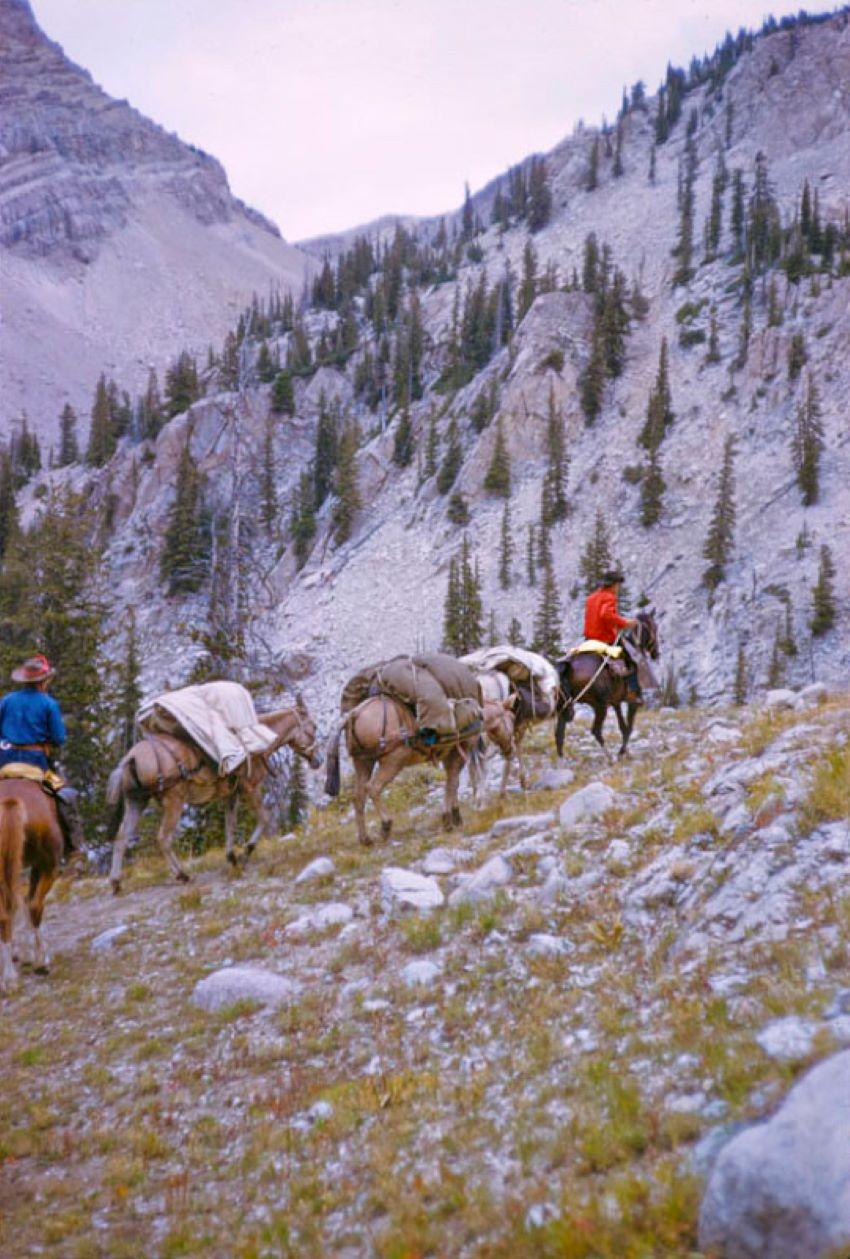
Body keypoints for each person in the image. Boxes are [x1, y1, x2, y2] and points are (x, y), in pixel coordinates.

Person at [0, 654, 86, 861]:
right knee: (66, 795)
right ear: (43, 681)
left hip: (5, 762)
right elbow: (58, 737)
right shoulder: (49, 704)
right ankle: (74, 849)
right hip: (36, 764)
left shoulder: (6, 701)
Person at [583, 570, 642, 704]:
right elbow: (605, 614)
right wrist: (625, 623)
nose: (618, 588)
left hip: (588, 640)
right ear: (613, 585)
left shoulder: (591, 597)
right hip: (605, 639)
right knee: (631, 660)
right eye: (618, 585)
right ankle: (633, 693)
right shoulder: (609, 596)